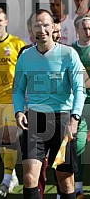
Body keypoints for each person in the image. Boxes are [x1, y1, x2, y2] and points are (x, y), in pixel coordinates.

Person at [13, 9, 85, 199]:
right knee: (29, 177)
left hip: (62, 120)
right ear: (31, 29)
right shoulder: (25, 57)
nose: (42, 29)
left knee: (65, 179)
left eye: (46, 25)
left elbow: (80, 89)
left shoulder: (69, 54)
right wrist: (19, 111)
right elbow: (18, 90)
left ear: (53, 27)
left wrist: (75, 118)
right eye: (37, 25)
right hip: (34, 121)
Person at [0, 7, 26, 197]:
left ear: (6, 22)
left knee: (7, 138)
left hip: (10, 98)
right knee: (2, 139)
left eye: (0, 20)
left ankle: (6, 179)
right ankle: (12, 174)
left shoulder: (17, 44)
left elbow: (25, 71)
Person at [66, 14, 90, 199]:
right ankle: (78, 187)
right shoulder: (70, 51)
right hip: (79, 105)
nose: (88, 32)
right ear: (77, 30)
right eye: (84, 28)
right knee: (78, 145)